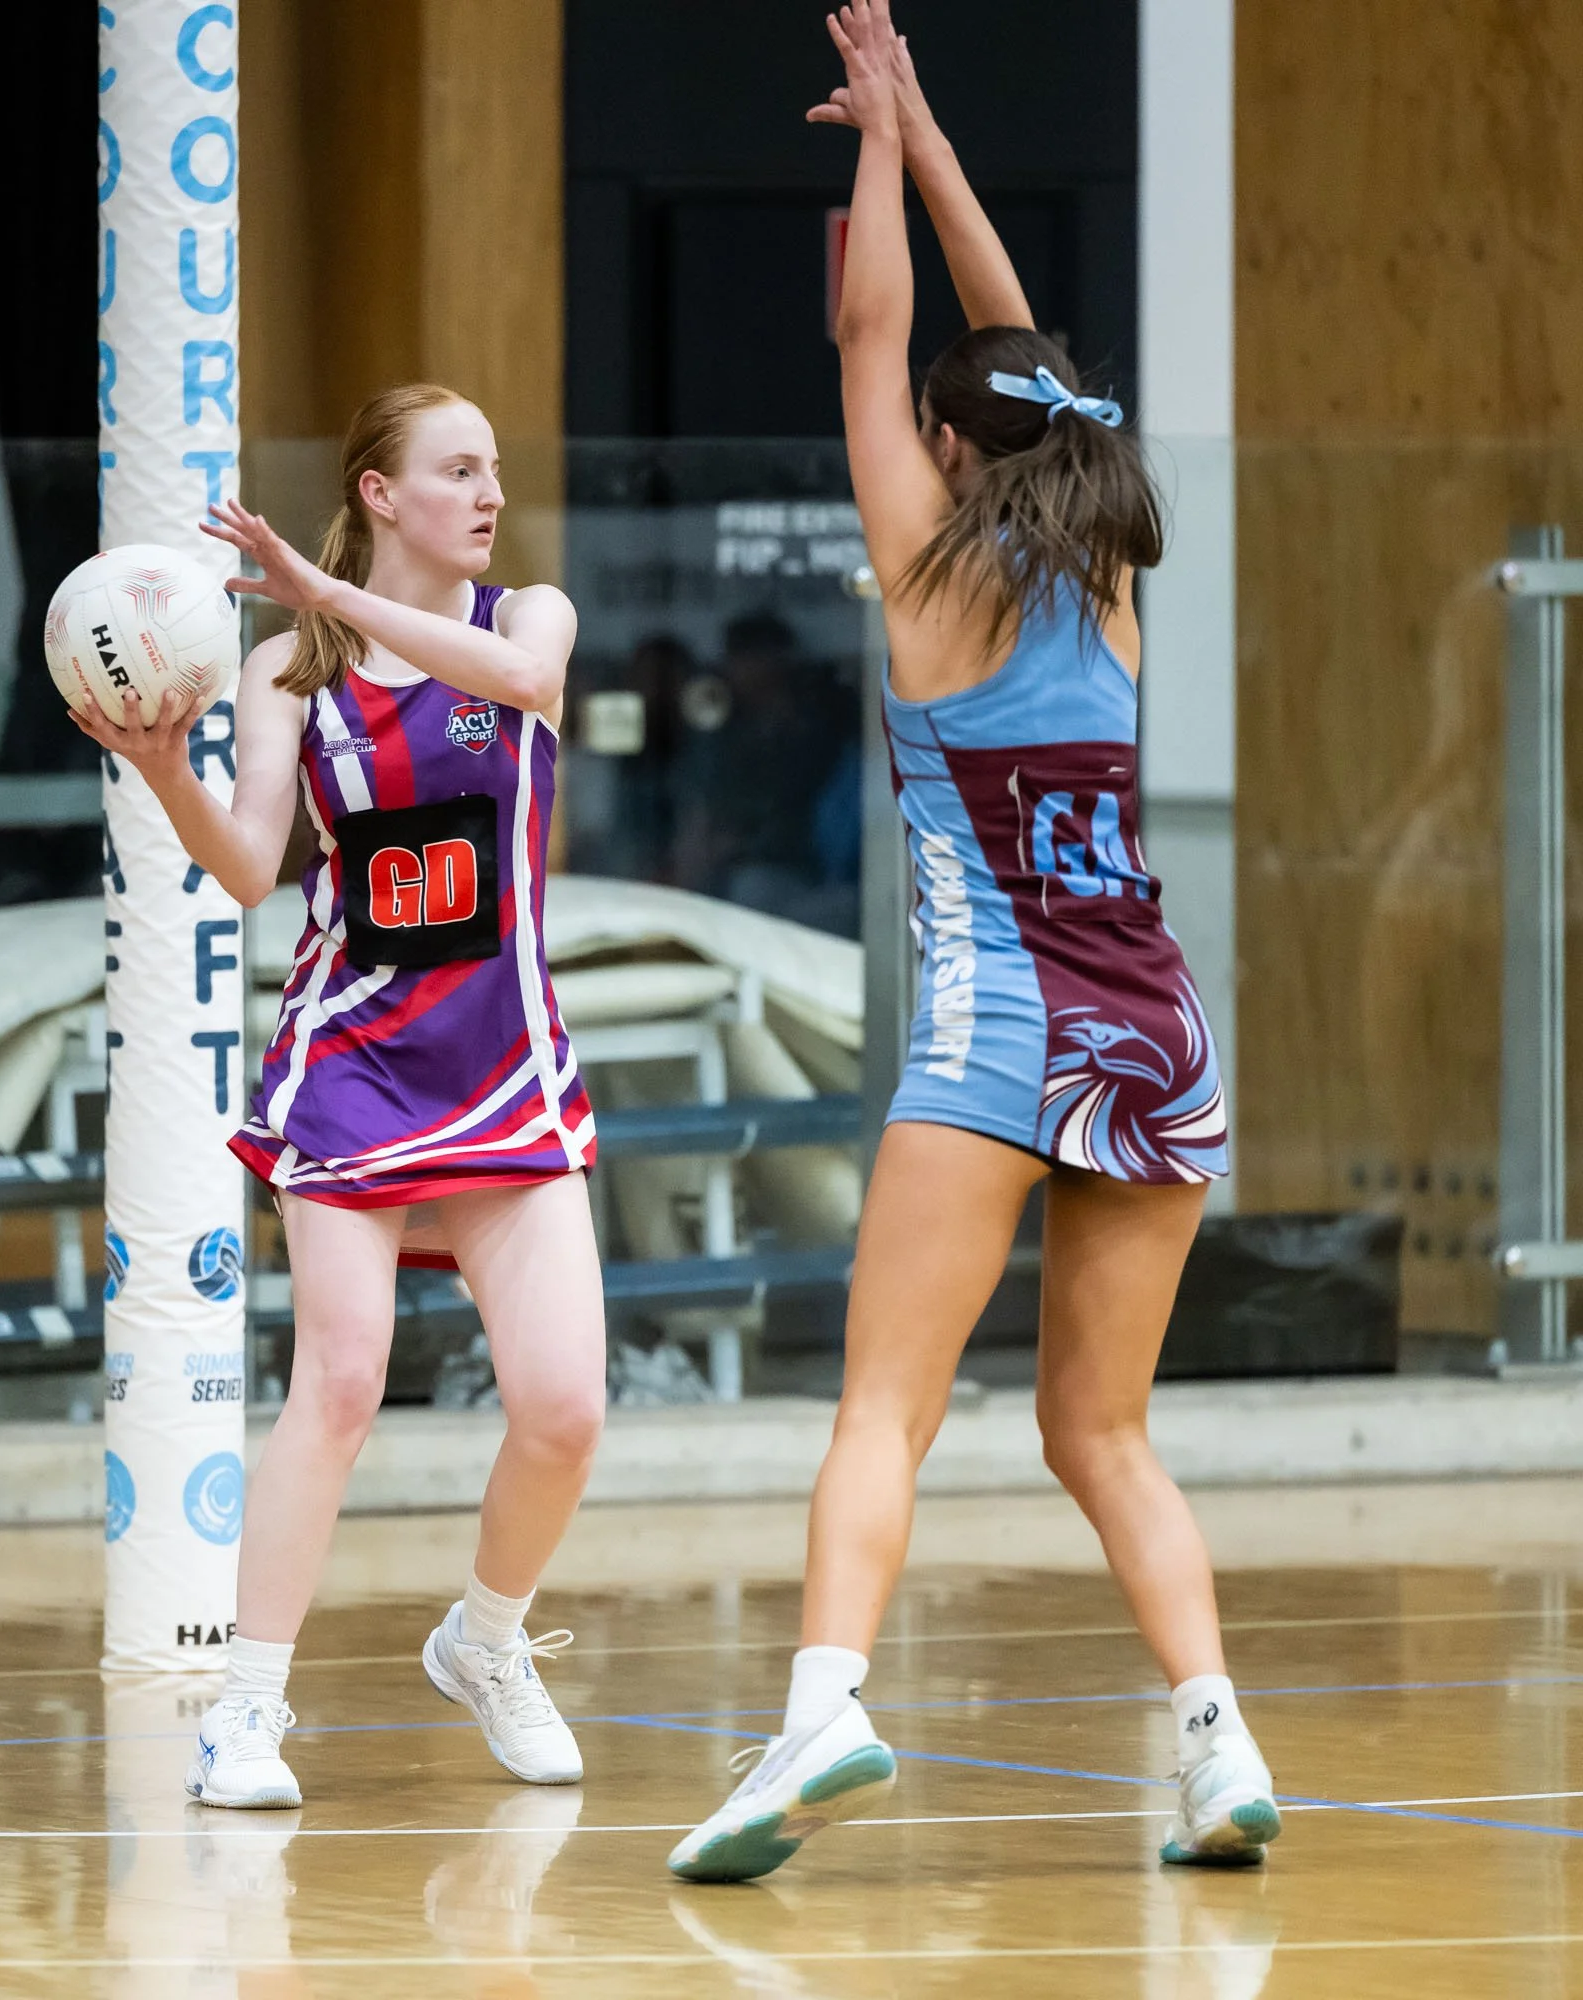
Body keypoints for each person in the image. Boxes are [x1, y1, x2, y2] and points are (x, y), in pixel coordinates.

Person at [670, 1, 1277, 1882]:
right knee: (1106, 1434)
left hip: (1003, 1021)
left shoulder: (933, 580)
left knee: (884, 1403)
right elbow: (1016, 365)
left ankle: (821, 1709)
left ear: (946, 445)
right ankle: (1219, 1743)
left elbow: (879, 335)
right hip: (1158, 1026)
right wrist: (930, 136)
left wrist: (875, 143)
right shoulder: (1105, 566)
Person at [69, 383, 605, 1809]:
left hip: (504, 1061)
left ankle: (485, 1641)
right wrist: (161, 771)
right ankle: (245, 1710)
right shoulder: (286, 674)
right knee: (344, 1380)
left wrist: (329, 595)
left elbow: (527, 685)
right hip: (353, 1061)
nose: (490, 494)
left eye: (494, 469)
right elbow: (253, 869)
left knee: (566, 1409)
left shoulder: (528, 618)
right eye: (458, 469)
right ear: (380, 492)